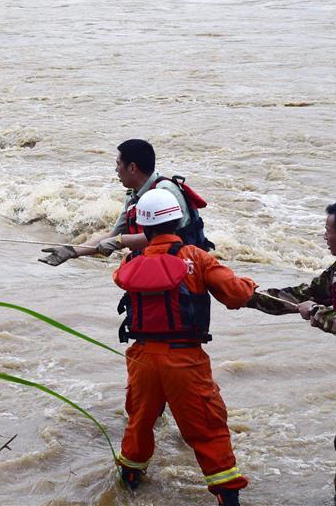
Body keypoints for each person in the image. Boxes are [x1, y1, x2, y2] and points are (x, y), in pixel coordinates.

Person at [111, 188, 254, 506]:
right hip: (184, 359)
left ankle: (130, 480)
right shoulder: (196, 258)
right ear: (178, 221)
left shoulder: (130, 262)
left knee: (139, 421)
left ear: (142, 226)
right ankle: (228, 496)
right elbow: (236, 294)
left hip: (142, 357)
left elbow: (121, 277)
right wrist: (251, 285)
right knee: (207, 427)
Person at [245, 199, 336, 504]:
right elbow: (301, 295)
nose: (324, 236)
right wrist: (247, 295)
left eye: (328, 230)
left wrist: (317, 312)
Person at [40, 138, 212, 266]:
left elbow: (166, 238)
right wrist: (71, 251)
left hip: (183, 267)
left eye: (118, 163)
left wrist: (120, 242)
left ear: (132, 167)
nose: (116, 169)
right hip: (153, 265)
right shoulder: (133, 195)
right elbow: (114, 236)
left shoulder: (165, 193)